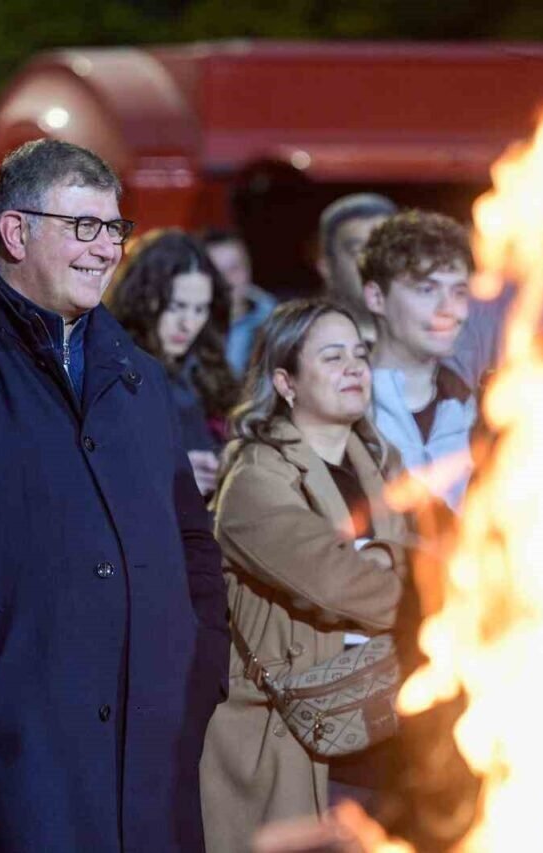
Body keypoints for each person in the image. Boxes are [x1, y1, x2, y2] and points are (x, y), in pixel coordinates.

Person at [0, 138, 230, 853]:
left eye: (114, 229)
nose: (104, 250)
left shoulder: (140, 378)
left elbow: (192, 541)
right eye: (82, 227)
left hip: (154, 754)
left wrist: (199, 660)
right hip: (13, 764)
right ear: (14, 231)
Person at [201, 299, 409, 853]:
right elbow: (333, 578)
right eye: (333, 356)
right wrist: (424, 593)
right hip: (293, 739)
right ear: (285, 382)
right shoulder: (254, 477)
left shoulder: (382, 464)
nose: (354, 368)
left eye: (361, 355)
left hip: (382, 726)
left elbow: (436, 548)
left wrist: (392, 556)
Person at [106, 228, 240, 496]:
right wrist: (170, 473)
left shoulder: (208, 367)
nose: (188, 323)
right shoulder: (111, 369)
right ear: (145, 299)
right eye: (176, 306)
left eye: (200, 309)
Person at [361, 210, 477, 510]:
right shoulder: (342, 407)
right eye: (426, 289)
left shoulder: (478, 409)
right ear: (376, 297)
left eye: (459, 291)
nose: (448, 309)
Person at [316, 193, 397, 335]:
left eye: (386, 249)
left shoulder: (438, 342)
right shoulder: (298, 344)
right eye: (358, 251)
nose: (374, 262)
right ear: (326, 268)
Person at [200, 227, 278, 376]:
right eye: (216, 272)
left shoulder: (276, 321)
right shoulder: (189, 328)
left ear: (249, 268)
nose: (226, 280)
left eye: (234, 268)